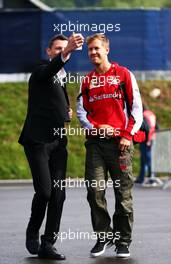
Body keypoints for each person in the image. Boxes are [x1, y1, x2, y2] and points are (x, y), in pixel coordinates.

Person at [77, 34, 144, 258]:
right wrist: (97, 127)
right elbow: (81, 112)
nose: (93, 53)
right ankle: (103, 236)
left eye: (97, 49)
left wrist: (127, 135)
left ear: (107, 49)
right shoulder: (86, 81)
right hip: (95, 144)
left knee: (122, 194)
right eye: (90, 50)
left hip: (121, 145)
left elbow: (136, 109)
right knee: (95, 191)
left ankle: (123, 241)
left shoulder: (124, 74)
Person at [18, 33, 84, 260]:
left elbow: (52, 101)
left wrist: (65, 111)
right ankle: (33, 229)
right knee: (45, 191)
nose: (60, 51)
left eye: (63, 49)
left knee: (59, 195)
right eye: (57, 48)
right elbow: (48, 72)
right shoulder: (40, 70)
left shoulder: (63, 76)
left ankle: (48, 244)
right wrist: (67, 52)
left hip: (58, 141)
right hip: (37, 140)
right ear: (49, 51)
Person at [135, 104, 158, 185]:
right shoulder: (151, 114)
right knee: (145, 159)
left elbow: (145, 127)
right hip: (152, 138)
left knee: (147, 159)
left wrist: (147, 139)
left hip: (145, 139)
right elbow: (156, 127)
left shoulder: (143, 115)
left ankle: (151, 178)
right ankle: (142, 178)